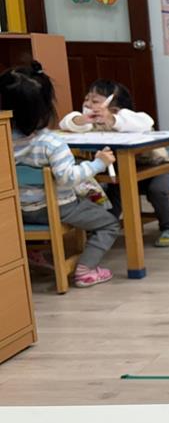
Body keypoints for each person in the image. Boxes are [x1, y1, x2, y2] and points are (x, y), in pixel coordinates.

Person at [2, 63, 120, 287]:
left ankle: (33, 252)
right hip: (58, 208)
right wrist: (98, 164)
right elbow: (68, 177)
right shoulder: (52, 143)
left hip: (17, 210)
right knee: (109, 223)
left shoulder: (3, 140)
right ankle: (86, 269)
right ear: (45, 107)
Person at [60, 80, 169, 248]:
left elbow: (145, 121)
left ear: (114, 108)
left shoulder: (127, 118)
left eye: (95, 101)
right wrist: (81, 119)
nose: (87, 104)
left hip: (156, 168)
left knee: (157, 191)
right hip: (121, 172)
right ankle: (106, 228)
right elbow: (66, 122)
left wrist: (111, 118)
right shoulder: (91, 123)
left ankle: (168, 227)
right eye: (86, 99)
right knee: (113, 193)